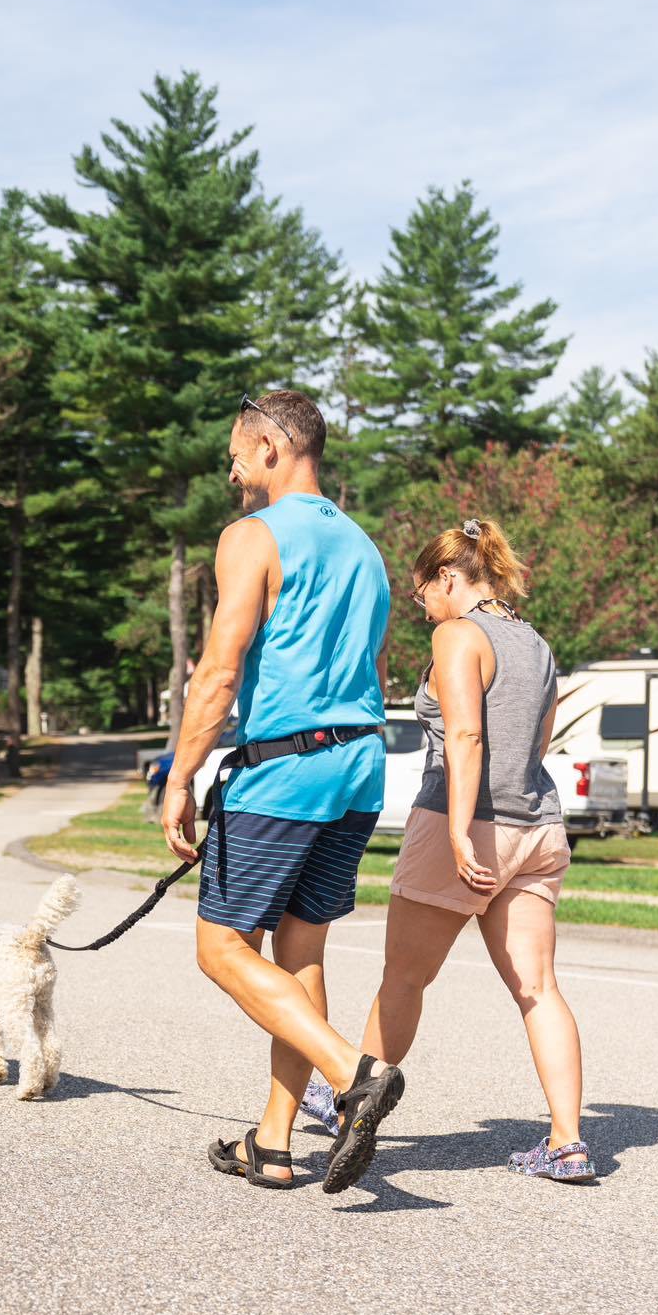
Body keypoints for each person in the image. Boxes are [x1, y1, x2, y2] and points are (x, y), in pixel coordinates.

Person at [162, 389, 403, 1194]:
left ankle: (351, 1073)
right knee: (302, 958)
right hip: (360, 766)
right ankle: (273, 1145)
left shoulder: (252, 537)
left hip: (285, 771)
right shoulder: (366, 549)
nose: (231, 468)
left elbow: (221, 671)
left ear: (272, 447)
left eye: (237, 450)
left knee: (221, 949)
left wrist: (180, 775)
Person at [347, 517, 595, 1182]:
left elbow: (465, 738)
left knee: (404, 976)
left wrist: (458, 831)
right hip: (537, 826)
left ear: (448, 579)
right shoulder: (536, 644)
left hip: (464, 821)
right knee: (538, 988)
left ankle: (350, 1108)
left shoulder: (457, 634)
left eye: (422, 591)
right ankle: (568, 1144)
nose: (420, 604)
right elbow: (535, 745)